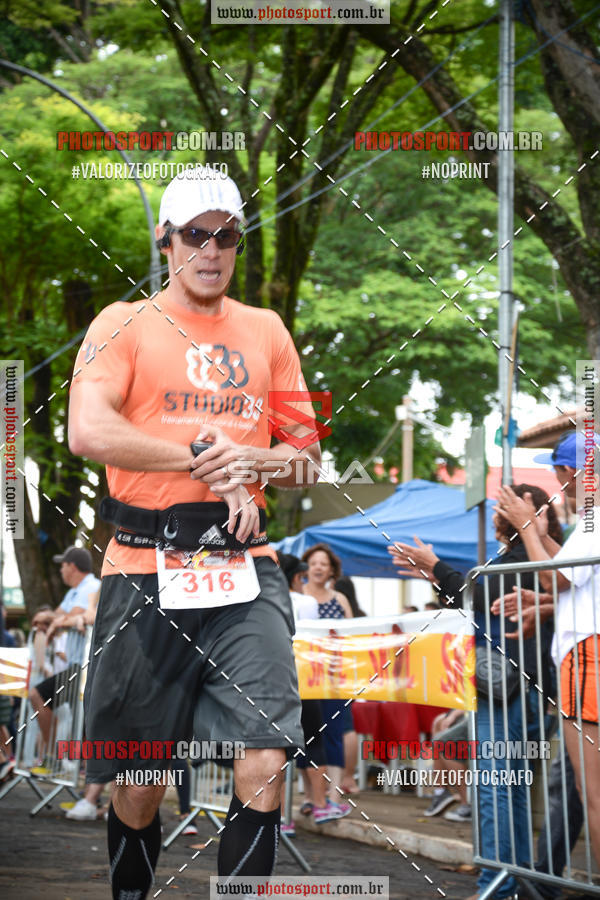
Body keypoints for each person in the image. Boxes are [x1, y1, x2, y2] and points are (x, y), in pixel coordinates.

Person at [68, 166, 321, 899]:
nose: (212, 250)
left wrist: (257, 459)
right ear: (166, 239)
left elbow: (304, 461)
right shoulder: (122, 323)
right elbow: (88, 430)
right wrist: (209, 461)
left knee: (264, 756)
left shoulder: (266, 329)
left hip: (245, 565)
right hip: (143, 563)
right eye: (195, 235)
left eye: (227, 236)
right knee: (141, 779)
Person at [388, 483, 563, 900]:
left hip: (510, 688)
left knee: (496, 787)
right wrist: (435, 571)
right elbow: (473, 602)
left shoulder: (531, 556)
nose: (503, 510)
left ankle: (498, 886)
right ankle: (514, 882)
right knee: (511, 786)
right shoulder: (523, 556)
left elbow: (485, 594)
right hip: (519, 686)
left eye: (513, 505)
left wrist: (437, 564)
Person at [496, 432, 600, 871]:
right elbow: (572, 576)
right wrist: (539, 535)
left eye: (558, 471)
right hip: (584, 652)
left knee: (593, 794)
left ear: (571, 471)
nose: (557, 481)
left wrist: (526, 529)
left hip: (586, 659)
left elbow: (555, 579)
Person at [275, 552, 349, 831]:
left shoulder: (262, 598)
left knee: (276, 747)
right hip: (306, 678)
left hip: (273, 680)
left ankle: (281, 818)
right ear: (296, 577)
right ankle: (319, 805)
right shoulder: (305, 602)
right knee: (314, 740)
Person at [29, 547, 100, 763]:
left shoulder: (92, 587)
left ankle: (56, 760)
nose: (60, 570)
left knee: (37, 695)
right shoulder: (73, 592)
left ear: (73, 567)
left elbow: (74, 616)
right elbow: (57, 616)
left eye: (63, 565)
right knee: (85, 724)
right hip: (76, 666)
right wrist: (51, 619)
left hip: (86, 667)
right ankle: (63, 763)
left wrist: (54, 620)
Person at [302, 544, 358, 805]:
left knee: (334, 734)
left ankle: (333, 796)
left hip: (335, 679)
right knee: (307, 737)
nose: (318, 567)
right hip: (304, 679)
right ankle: (312, 797)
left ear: (331, 570)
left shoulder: (340, 600)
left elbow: (351, 638)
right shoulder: (297, 598)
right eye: (314, 562)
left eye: (324, 563)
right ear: (306, 568)